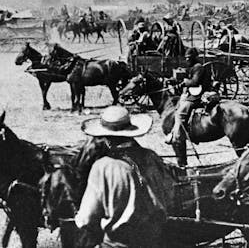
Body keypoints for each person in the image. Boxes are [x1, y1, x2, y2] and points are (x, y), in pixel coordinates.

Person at [75, 106, 161, 248]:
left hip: (118, 242)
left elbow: (87, 218)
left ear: (106, 138)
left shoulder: (103, 166)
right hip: (153, 240)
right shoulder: (152, 157)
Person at [165, 48, 212, 157]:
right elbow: (185, 76)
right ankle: (174, 130)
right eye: (186, 58)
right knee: (178, 103)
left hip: (199, 95)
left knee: (181, 112)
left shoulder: (198, 68)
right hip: (192, 93)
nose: (187, 60)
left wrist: (185, 82)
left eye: (189, 58)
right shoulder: (192, 67)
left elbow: (194, 82)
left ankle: (177, 136)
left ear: (194, 58)